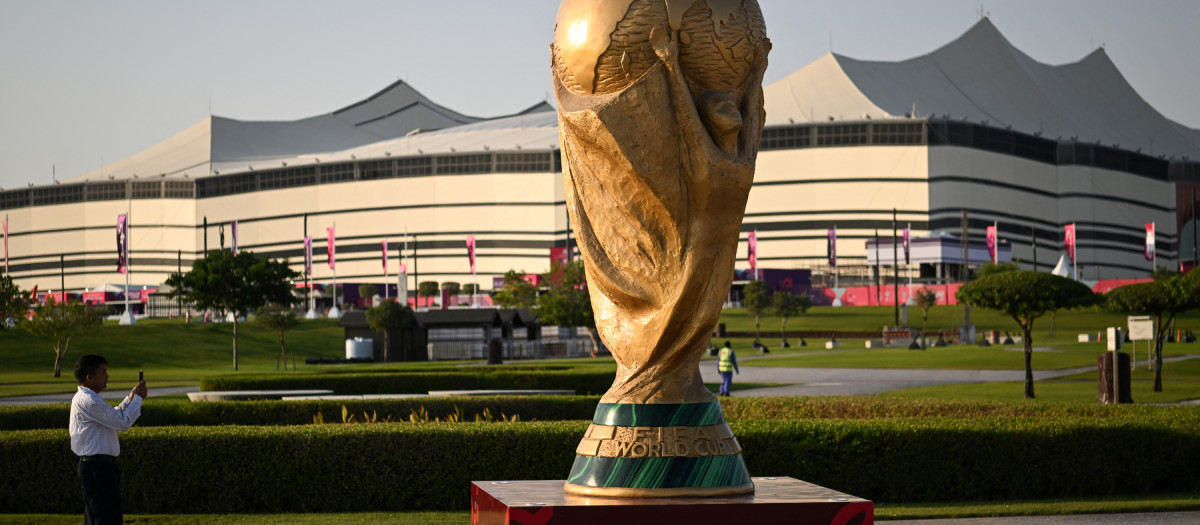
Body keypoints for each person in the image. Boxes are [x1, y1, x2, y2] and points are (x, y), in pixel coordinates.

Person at [70, 354, 147, 525]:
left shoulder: (88, 399)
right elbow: (122, 422)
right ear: (89, 377)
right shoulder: (88, 400)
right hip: (97, 468)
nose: (107, 376)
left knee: (97, 518)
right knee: (107, 519)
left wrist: (130, 398)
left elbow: (113, 415)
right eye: (103, 372)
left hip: (97, 467)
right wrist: (139, 399)